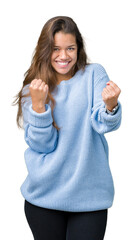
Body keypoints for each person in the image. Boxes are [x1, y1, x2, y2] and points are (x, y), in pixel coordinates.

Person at [14, 16, 122, 240]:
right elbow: (43, 145)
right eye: (56, 49)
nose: (63, 56)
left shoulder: (94, 74)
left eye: (70, 48)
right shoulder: (33, 88)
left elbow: (102, 123)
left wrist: (111, 106)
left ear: (78, 48)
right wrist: (38, 105)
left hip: (89, 198)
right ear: (45, 50)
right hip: (43, 197)